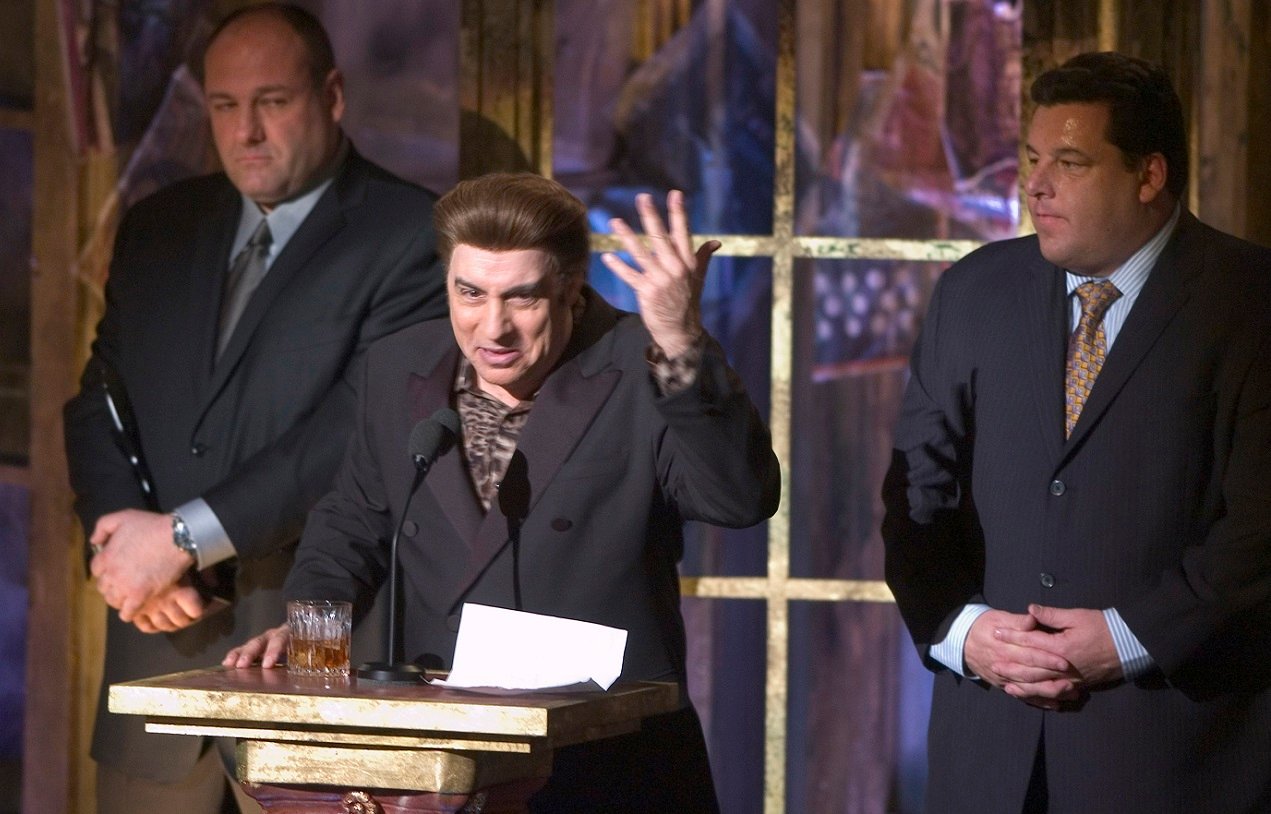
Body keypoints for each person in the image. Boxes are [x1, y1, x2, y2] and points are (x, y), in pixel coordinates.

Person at [225, 172, 780, 812]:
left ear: (571, 289)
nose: (494, 328)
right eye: (470, 293)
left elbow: (740, 499)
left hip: (604, 757)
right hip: (443, 761)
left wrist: (681, 343)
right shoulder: (397, 364)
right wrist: (310, 629)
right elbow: (351, 525)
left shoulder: (644, 362)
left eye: (521, 298)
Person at [62, 4, 447, 812]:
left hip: (313, 658)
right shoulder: (158, 225)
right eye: (225, 107)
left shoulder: (412, 233)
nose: (246, 132)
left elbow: (355, 430)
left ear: (332, 96)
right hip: (158, 657)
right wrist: (122, 541)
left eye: (272, 102)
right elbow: (100, 399)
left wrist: (179, 538)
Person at [882, 50, 1271, 813]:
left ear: (1147, 176)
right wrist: (964, 633)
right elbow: (914, 500)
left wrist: (1130, 637)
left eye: (1068, 161)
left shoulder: (1250, 302)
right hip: (986, 757)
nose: (1035, 185)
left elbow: (1258, 531)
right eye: (1031, 158)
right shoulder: (972, 291)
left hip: (1174, 761)